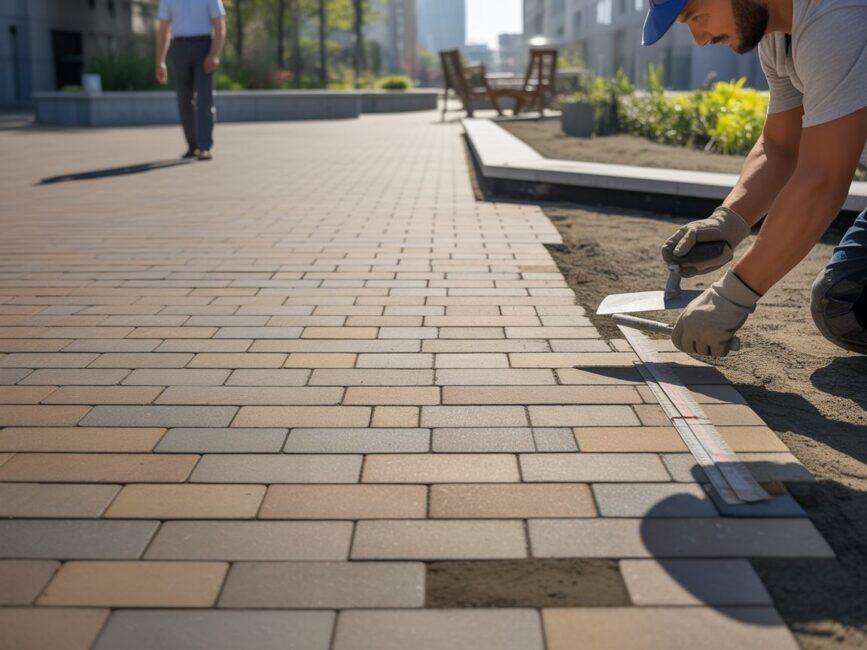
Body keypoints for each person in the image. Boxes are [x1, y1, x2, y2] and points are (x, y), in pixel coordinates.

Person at [642, 0, 866, 356]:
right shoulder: (777, 38)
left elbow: (822, 180)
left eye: (695, 16)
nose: (700, 39)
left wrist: (733, 295)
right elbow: (781, 147)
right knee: (846, 303)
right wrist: (728, 221)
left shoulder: (837, 20)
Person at [155, 0, 227, 161]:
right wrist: (160, 60)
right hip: (179, 48)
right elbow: (163, 29)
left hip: (203, 46)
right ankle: (192, 145)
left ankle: (204, 147)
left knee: (204, 99)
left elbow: (219, 26)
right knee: (184, 100)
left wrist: (213, 54)